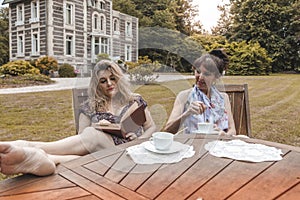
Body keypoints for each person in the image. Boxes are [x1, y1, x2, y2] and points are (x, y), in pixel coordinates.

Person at [0, 60, 156, 176]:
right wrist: (100, 127)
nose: (109, 83)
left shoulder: (134, 100)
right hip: (105, 157)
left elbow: (151, 127)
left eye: (112, 78)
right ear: (97, 85)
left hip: (133, 154)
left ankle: (32, 148)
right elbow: (81, 142)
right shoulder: (90, 106)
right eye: (103, 81)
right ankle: (45, 159)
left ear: (119, 79)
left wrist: (139, 139)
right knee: (90, 133)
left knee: (92, 135)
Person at [164, 49, 236, 135]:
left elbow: (232, 131)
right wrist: (187, 113)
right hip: (192, 145)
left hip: (218, 145)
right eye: (198, 71)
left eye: (207, 74)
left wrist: (224, 135)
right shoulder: (184, 96)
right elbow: (167, 131)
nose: (200, 77)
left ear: (216, 77)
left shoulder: (223, 98)